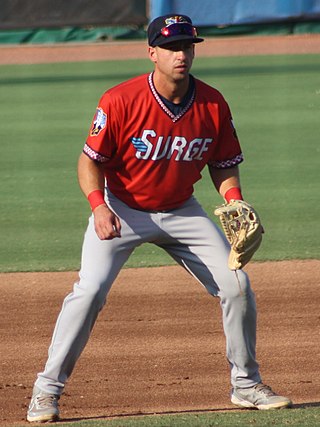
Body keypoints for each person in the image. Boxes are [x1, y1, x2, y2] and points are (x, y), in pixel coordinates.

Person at [27, 14, 292, 423]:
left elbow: (222, 163)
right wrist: (98, 206)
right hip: (122, 209)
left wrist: (235, 200)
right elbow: (88, 162)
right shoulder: (119, 99)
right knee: (89, 291)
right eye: (170, 47)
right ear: (152, 52)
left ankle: (246, 383)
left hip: (182, 210)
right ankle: (46, 391)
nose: (181, 54)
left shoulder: (212, 103)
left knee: (237, 283)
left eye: (187, 46)